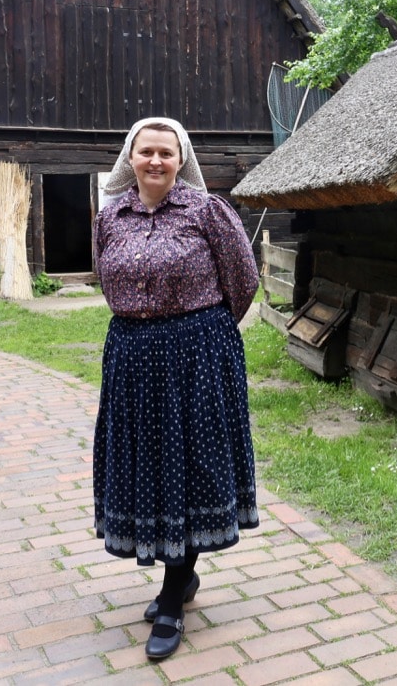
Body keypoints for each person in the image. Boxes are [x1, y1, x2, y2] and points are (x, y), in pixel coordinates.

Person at [91, 117, 260, 661]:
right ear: (130, 157)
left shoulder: (208, 211)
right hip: (132, 358)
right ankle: (181, 581)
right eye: (146, 152)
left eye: (167, 152)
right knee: (150, 463)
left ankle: (171, 595)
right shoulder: (109, 216)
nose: (156, 161)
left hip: (196, 356)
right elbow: (106, 277)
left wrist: (202, 336)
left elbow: (244, 279)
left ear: (181, 157)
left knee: (189, 464)